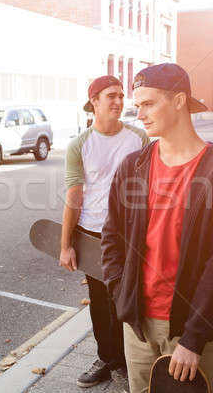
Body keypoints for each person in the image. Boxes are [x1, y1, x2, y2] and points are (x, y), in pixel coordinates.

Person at [101, 63, 213, 393]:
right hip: (137, 324)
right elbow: (112, 236)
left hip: (192, 329)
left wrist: (194, 338)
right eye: (138, 106)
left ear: (179, 101)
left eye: (149, 104)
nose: (140, 115)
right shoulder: (134, 165)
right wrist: (121, 293)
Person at [60, 75, 149, 389]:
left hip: (130, 236)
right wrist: (66, 244)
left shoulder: (139, 138)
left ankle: (127, 362)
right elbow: (74, 196)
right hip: (93, 233)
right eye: (111, 95)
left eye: (122, 95)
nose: (119, 101)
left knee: (125, 299)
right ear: (93, 102)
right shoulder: (80, 144)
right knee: (99, 301)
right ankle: (107, 358)